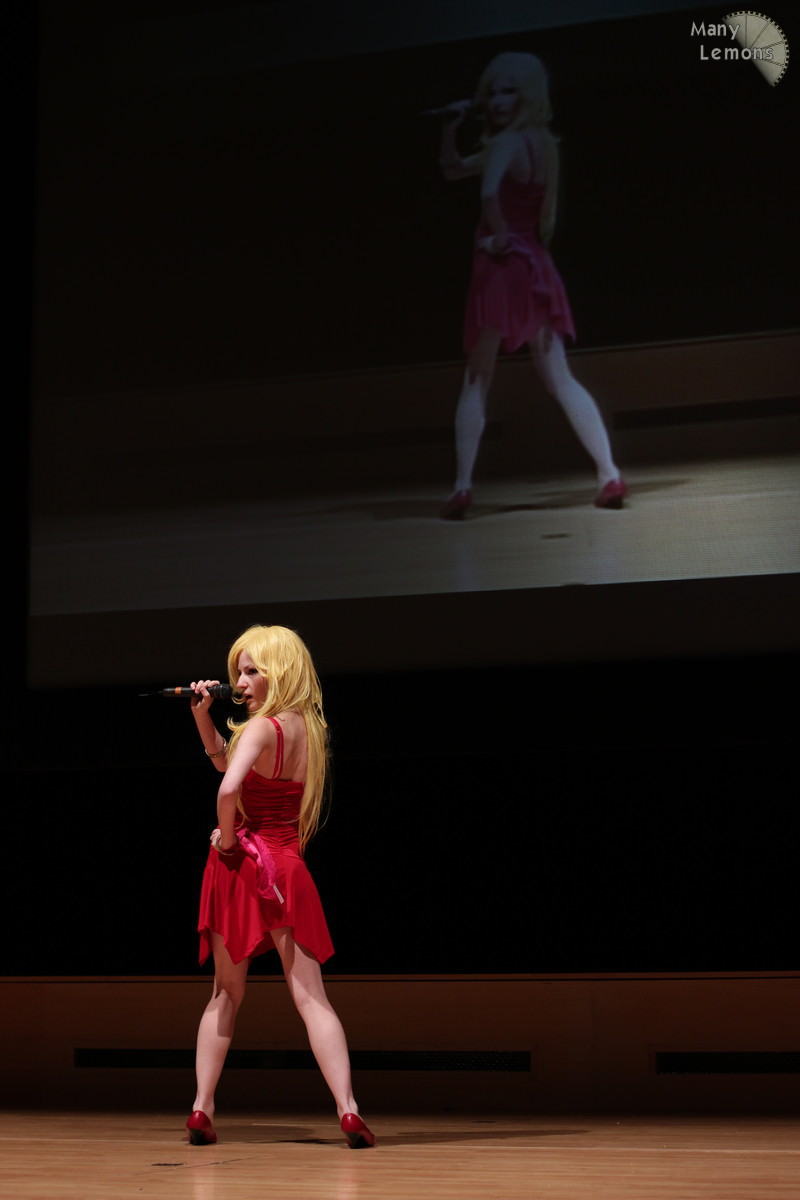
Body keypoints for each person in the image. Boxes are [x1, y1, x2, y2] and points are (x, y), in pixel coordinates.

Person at [185, 624, 375, 1150]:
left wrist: (227, 841)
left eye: (252, 671)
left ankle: (202, 1106)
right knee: (312, 998)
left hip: (240, 867)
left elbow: (228, 788)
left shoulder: (260, 728)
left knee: (226, 992)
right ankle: (349, 1109)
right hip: (286, 865)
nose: (240, 682)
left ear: (282, 671)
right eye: (238, 672)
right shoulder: (308, 731)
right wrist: (203, 720)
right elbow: (231, 767)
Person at [438, 51, 627, 518]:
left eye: (509, 91)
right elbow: (453, 169)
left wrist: (498, 235)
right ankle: (609, 473)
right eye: (493, 92)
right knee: (560, 377)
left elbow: (486, 191)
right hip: (536, 266)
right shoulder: (544, 144)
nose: (498, 101)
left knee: (478, 376)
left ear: (529, 95)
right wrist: (450, 129)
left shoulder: (505, 145)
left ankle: (461, 487)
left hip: (503, 268)